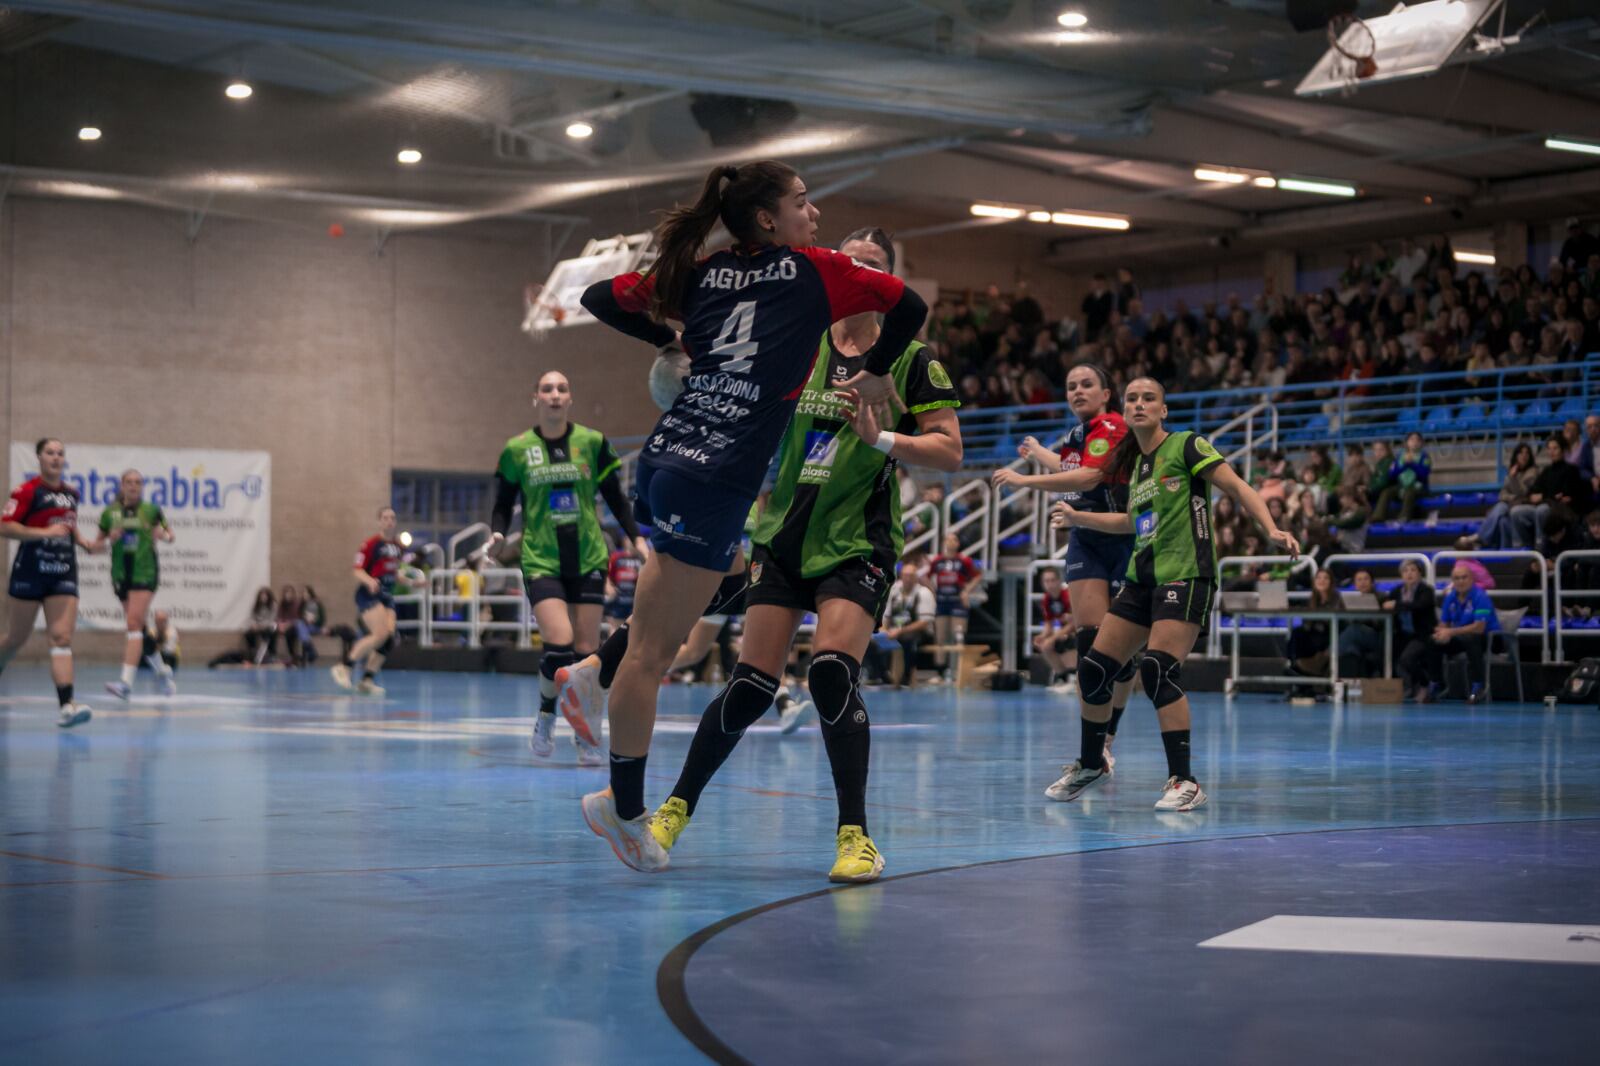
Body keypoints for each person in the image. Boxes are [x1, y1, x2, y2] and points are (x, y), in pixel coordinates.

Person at [573, 162, 928, 870]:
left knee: (662, 632)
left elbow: (595, 297)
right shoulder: (816, 271)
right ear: (768, 218)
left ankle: (592, 677)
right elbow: (910, 307)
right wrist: (883, 367)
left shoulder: (699, 270)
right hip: (720, 476)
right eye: (802, 202)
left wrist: (675, 343)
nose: (815, 213)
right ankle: (623, 804)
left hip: (666, 457)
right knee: (657, 653)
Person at [638, 225, 956, 883]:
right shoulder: (800, 344)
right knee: (750, 685)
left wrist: (881, 437)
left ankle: (856, 837)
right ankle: (673, 809)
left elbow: (950, 450)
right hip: (781, 534)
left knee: (832, 675)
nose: (858, 271)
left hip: (854, 540)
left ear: (890, 281)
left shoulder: (913, 359)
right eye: (849, 262)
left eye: (872, 264)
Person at [1048, 378, 1299, 811]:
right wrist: (1078, 517)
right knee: (1093, 669)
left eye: (1149, 398)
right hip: (1142, 577)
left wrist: (1270, 528)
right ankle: (1092, 764)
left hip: (1186, 574)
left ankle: (1185, 780)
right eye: (1132, 399)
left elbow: (1237, 486)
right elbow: (1130, 522)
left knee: (1159, 670)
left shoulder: (1187, 445)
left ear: (1164, 410)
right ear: (1124, 411)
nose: (1140, 404)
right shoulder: (1136, 466)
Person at [990, 362, 1140, 791]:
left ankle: (1107, 738)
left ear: (1106, 393)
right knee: (1090, 643)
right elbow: (1070, 466)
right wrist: (1039, 453)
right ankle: (1092, 754)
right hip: (1085, 539)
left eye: (1086, 384)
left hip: (1121, 536)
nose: (1077, 391)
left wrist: (1025, 479)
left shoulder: (1111, 425)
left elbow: (1093, 475)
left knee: (1123, 653)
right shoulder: (1079, 434)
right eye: (1071, 386)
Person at [487, 371, 646, 764]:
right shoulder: (517, 449)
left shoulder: (591, 443)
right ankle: (546, 713)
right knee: (559, 643)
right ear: (535, 398)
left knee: (586, 654)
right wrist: (496, 534)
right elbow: (503, 503)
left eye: (561, 389)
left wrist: (637, 539)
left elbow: (616, 498)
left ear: (569, 398)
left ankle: (585, 732)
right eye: (547, 389)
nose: (554, 395)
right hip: (541, 557)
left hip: (588, 556)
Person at [0, 438, 99, 727]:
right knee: (15, 638)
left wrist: (82, 542)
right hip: (30, 571)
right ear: (39, 458)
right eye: (50, 453)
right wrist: (43, 533)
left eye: (60, 453)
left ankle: (67, 705)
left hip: (63, 572)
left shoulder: (72, 494)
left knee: (61, 637)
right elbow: (5, 526)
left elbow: (68, 524)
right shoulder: (27, 491)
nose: (56, 458)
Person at [93, 469, 177, 698]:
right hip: (121, 575)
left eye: (138, 482)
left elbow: (171, 535)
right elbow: (96, 546)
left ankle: (125, 684)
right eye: (129, 482)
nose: (133, 486)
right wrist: (110, 538)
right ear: (121, 485)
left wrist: (163, 535)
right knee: (139, 627)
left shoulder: (151, 511)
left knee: (132, 623)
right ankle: (163, 671)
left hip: (145, 572)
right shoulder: (109, 513)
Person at [1402, 562, 1499, 704]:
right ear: (1452, 581)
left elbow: (1479, 628)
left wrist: (1450, 632)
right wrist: (1441, 633)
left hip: (1489, 639)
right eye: (1457, 578)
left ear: (1472, 579)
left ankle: (1478, 686)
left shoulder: (1480, 596)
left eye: (1464, 577)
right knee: (1433, 641)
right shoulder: (1451, 597)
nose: (1460, 581)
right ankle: (1437, 683)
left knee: (1472, 639)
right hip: (1462, 637)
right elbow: (1444, 624)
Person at [331, 507, 401, 696]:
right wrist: (370, 581)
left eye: (392, 518)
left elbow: (394, 573)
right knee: (379, 634)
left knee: (390, 639)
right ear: (380, 521)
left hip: (387, 597)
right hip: (369, 595)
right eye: (385, 518)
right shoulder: (370, 544)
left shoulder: (397, 546)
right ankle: (344, 667)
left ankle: (367, 680)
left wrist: (413, 581)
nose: (389, 521)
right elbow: (357, 570)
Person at [1514, 435, 1594, 550]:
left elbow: (1564, 494)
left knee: (1542, 509)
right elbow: (1532, 492)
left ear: (1563, 450)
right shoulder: (1546, 471)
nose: (1552, 452)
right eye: (1549, 448)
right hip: (1545, 505)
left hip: (1563, 509)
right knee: (1517, 512)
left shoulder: (1571, 469)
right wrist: (1536, 496)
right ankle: (1524, 547)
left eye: (1555, 448)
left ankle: (1540, 546)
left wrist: (1543, 496)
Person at [867, 562, 939, 688]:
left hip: (920, 632)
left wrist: (900, 631)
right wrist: (883, 630)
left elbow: (924, 622)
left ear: (916, 577)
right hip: (894, 631)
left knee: (908, 640)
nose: (908, 578)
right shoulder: (893, 591)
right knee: (869, 641)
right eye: (905, 575)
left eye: (911, 575)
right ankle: (880, 675)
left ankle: (904, 678)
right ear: (900, 576)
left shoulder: (924, 593)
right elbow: (885, 616)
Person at [926, 531, 982, 680]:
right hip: (942, 601)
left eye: (954, 540)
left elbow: (978, 576)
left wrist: (966, 591)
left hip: (958, 601)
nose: (951, 542)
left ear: (958, 543)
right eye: (948, 540)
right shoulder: (937, 561)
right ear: (944, 543)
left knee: (958, 636)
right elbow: (925, 577)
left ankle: (958, 671)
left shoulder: (964, 561)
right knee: (940, 637)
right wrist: (933, 591)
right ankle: (940, 672)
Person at [1386, 559, 1438, 701]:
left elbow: (1419, 606)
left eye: (1413, 570)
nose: (1409, 573)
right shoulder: (1396, 591)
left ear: (1420, 573)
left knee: (1406, 659)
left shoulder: (1426, 590)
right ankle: (1402, 687)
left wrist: (1397, 605)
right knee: (1384, 649)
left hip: (1423, 634)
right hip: (1402, 634)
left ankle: (1425, 683)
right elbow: (1386, 605)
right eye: (1405, 571)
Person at [1285, 569, 1340, 699]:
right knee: (1297, 632)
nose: (1321, 581)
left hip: (1328, 637)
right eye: (1318, 578)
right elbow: (1308, 624)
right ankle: (1293, 666)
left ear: (1331, 582)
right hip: (1313, 637)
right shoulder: (1312, 600)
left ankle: (1298, 675)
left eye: (1325, 578)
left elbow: (1331, 623)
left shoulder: (1337, 599)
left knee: (1303, 635)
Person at [1473, 443, 1538, 549]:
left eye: (1527, 453)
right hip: (1511, 505)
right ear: (1516, 456)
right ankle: (1504, 553)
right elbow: (1502, 494)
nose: (1524, 456)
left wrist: (1513, 478)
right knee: (1502, 520)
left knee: (1501, 507)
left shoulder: (1533, 473)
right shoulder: (1512, 471)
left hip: (1523, 508)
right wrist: (1512, 497)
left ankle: (1481, 537)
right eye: (1521, 453)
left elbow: (1523, 492)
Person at [1336, 569, 1385, 680]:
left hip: (1377, 638)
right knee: (1351, 650)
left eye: (1366, 579)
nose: (1362, 582)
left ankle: (1328, 655)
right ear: (1355, 584)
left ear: (1372, 582)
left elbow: (1383, 624)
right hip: (1356, 640)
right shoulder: (1350, 600)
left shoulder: (1382, 597)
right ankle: (1348, 689)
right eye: (1359, 580)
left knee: (1353, 630)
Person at [1033, 566, 1075, 690]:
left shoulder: (1068, 595)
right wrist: (1043, 636)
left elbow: (1075, 622)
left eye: (1052, 580)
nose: (1050, 584)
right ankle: (1063, 677)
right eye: (1046, 581)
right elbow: (1049, 624)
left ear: (1059, 581)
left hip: (1078, 630)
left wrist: (1052, 638)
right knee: (1044, 645)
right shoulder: (1047, 599)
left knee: (1070, 638)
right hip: (1064, 631)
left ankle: (1074, 677)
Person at [1373, 432, 1431, 523]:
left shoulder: (1424, 457)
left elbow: (1424, 474)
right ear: (1407, 442)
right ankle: (1378, 516)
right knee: (1386, 492)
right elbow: (1392, 474)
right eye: (1411, 440)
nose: (1414, 442)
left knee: (1409, 492)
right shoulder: (1400, 457)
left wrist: (1412, 464)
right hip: (1401, 486)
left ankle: (1404, 517)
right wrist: (1404, 465)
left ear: (1421, 443)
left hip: (1418, 487)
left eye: (1417, 440)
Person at [143, 609, 180, 675]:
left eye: (162, 621)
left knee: (167, 657)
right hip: (153, 655)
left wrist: (158, 644)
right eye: (158, 621)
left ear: (166, 621)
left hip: (167, 657)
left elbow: (169, 650)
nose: (160, 623)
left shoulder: (171, 632)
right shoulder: (151, 631)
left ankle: (163, 669)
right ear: (155, 621)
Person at [246, 586, 277, 663]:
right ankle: (252, 652)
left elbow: (272, 619)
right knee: (248, 634)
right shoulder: (256, 605)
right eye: (261, 596)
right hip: (257, 626)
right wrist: (253, 624)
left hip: (268, 626)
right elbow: (252, 617)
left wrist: (261, 626)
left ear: (268, 596)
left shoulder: (273, 605)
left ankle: (271, 654)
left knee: (271, 633)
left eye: (265, 596)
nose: (263, 597)